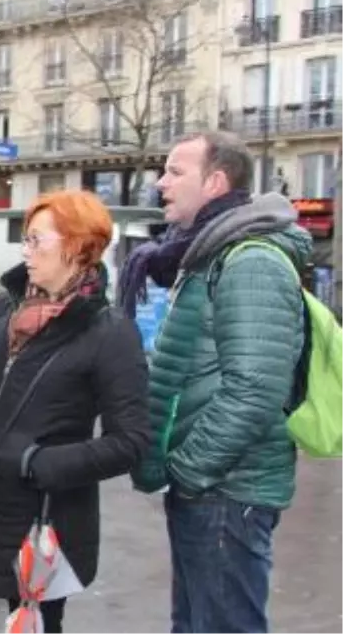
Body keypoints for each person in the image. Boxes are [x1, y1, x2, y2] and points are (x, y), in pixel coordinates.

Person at [0, 190, 153, 634]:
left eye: (36, 240)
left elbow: (130, 441)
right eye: (25, 239)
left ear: (78, 247)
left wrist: (40, 463)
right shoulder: (2, 310)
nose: (25, 251)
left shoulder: (110, 334)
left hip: (40, 523)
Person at [121, 131, 309, 634]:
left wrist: (188, 470)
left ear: (215, 182)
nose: (161, 183)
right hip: (212, 492)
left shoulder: (249, 261)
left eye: (175, 172)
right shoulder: (206, 255)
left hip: (227, 492)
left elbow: (255, 391)